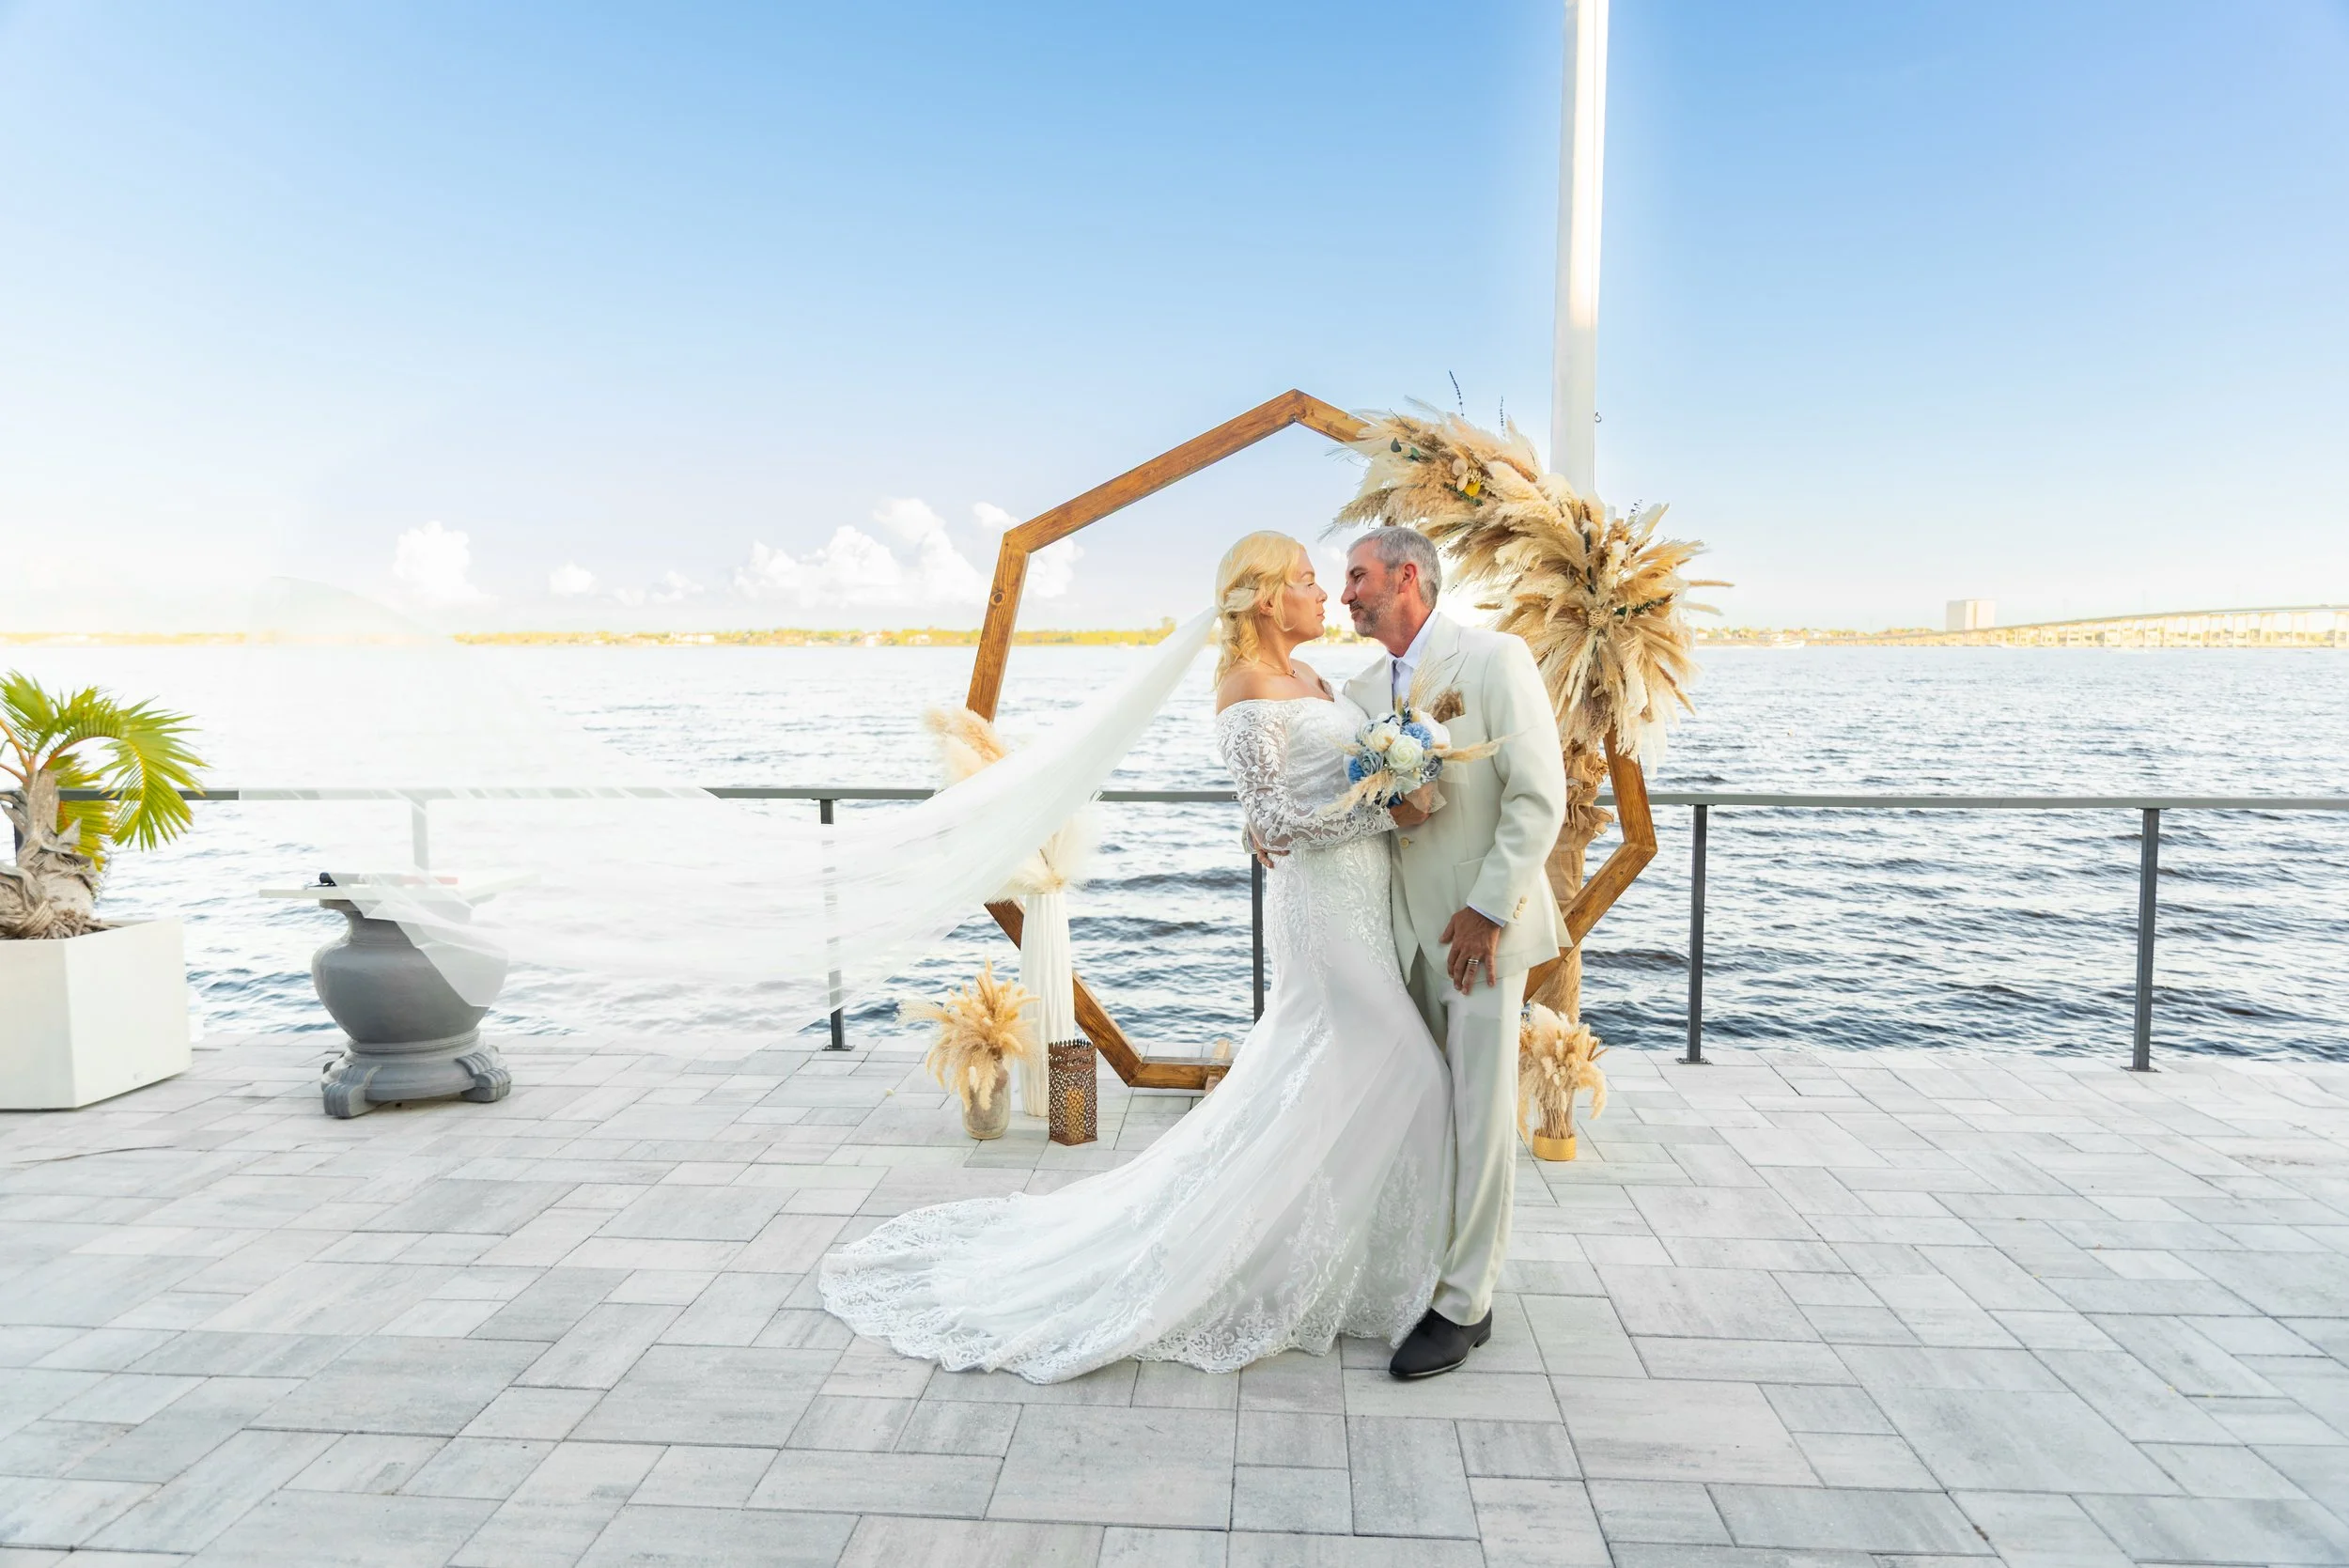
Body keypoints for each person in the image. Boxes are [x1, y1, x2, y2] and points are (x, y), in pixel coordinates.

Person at [817, 531, 1454, 1382]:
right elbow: (1277, 822)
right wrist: (1392, 807)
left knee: (1342, 1077)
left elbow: (1289, 803)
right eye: (1307, 579)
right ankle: (1330, 1266)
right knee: (1407, 1067)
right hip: (1325, 919)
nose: (1324, 595)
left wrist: (1374, 787)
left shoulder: (1317, 679)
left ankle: (1360, 1265)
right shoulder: (1244, 689)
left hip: (1361, 904)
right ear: (1265, 598)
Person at [1338, 525, 1567, 1378]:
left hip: (1479, 937)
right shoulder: (1359, 687)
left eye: (1357, 577)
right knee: (1422, 1109)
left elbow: (1539, 797)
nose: (1345, 594)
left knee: (1481, 1113)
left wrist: (1486, 909)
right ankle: (1420, 1266)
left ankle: (1466, 1304)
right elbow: (1360, 795)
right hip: (1395, 936)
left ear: (1406, 577)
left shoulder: (1495, 660)